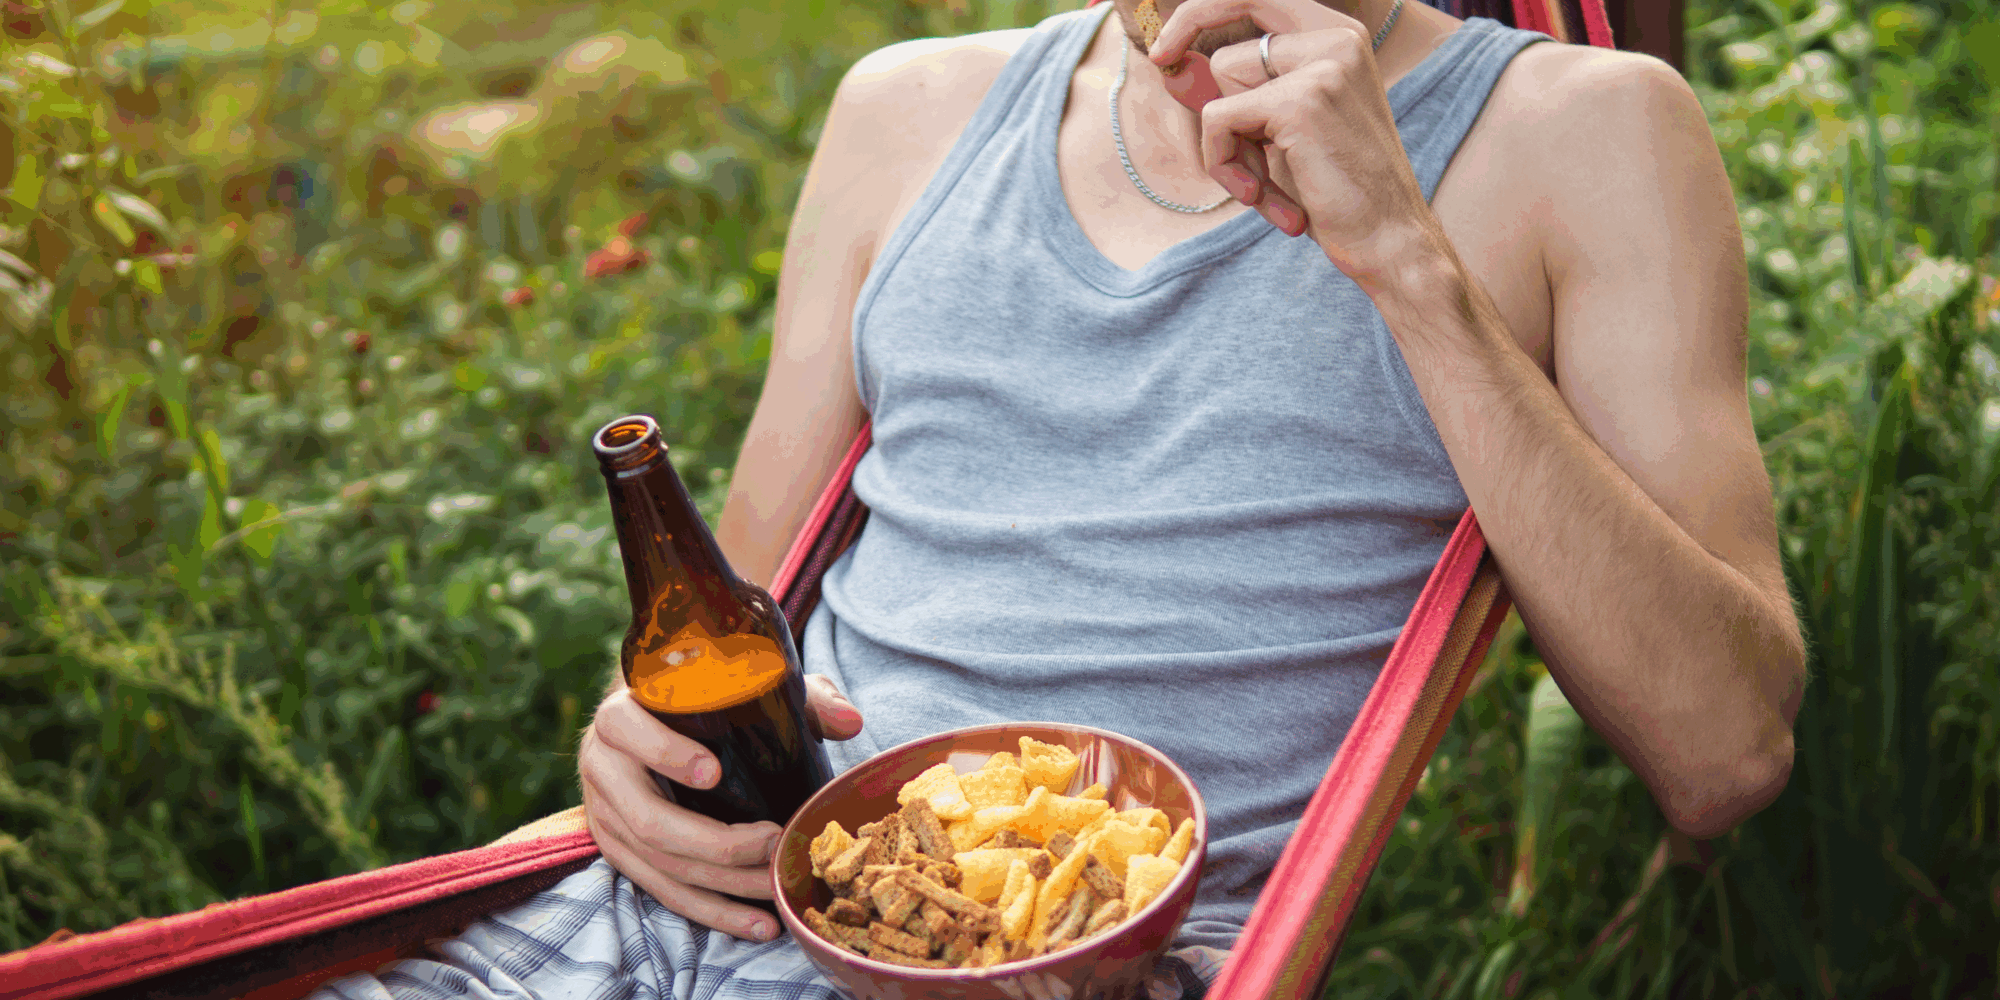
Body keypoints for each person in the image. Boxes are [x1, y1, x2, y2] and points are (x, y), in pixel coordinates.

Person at [316, 0, 1804, 996]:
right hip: (727, 901)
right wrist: (635, 755)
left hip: (1097, 959)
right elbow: (734, 616)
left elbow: (1725, 753)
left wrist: (1406, 264)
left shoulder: (1586, 133)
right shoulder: (908, 106)